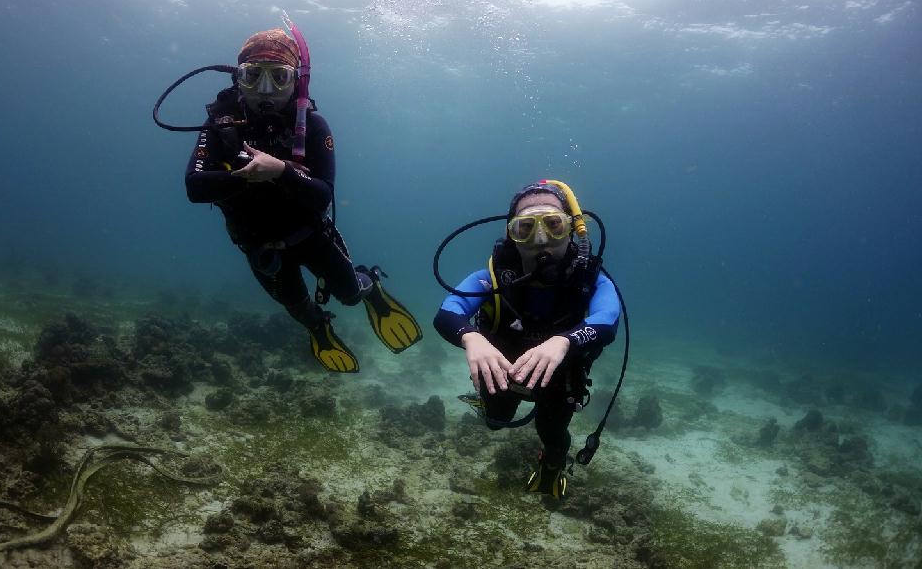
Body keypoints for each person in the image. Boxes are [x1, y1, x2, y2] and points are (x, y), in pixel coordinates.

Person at [184, 27, 422, 372]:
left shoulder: (314, 127)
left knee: (350, 294)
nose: (266, 91)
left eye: (279, 77)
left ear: (297, 81)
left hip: (310, 237)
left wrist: (279, 171)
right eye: (253, 77)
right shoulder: (219, 126)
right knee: (297, 307)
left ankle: (368, 287)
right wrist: (253, 176)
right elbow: (194, 187)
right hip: (257, 245)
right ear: (238, 80)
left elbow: (323, 196)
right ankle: (318, 325)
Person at [433, 180, 621, 498]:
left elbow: (608, 320)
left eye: (553, 225)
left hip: (560, 379)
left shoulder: (590, 281)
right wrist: (472, 338)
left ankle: (551, 468)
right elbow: (447, 313)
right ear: (511, 234)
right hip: (503, 372)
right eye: (525, 228)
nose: (541, 239)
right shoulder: (491, 277)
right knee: (495, 421)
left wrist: (564, 341)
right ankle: (491, 407)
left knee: (552, 433)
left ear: (573, 230)